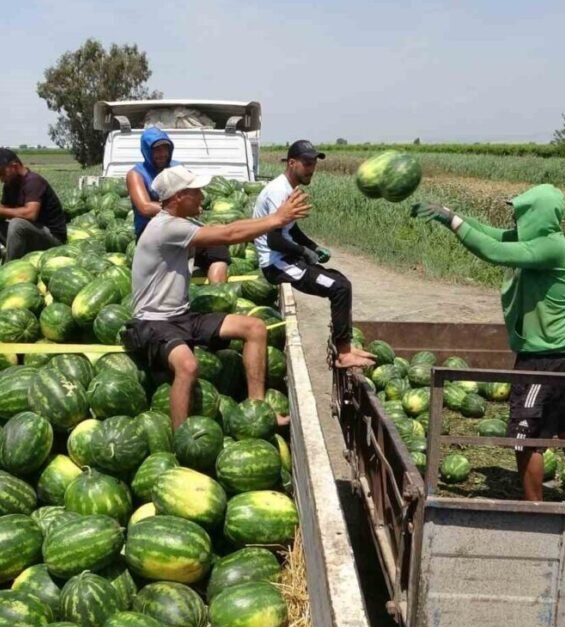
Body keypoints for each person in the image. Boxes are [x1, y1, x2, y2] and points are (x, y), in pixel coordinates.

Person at [412, 184, 565, 502]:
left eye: (521, 211)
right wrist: (450, 215)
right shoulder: (538, 240)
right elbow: (492, 235)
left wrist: (452, 222)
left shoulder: (552, 248)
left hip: (547, 359)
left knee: (526, 438)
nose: (515, 217)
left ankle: (533, 509)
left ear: (538, 213)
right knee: (564, 423)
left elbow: (492, 251)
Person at [122, 165, 311, 429]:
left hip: (181, 315)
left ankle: (257, 408)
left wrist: (272, 219)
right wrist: (276, 219)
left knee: (255, 328)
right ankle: (181, 437)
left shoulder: (181, 223)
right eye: (196, 191)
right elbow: (228, 235)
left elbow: (230, 227)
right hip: (153, 322)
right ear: (178, 197)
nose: (202, 196)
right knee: (187, 366)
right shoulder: (166, 228)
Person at [253, 140, 375, 369]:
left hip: (287, 259)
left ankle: (345, 345)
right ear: (292, 163)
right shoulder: (279, 192)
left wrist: (313, 247)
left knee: (341, 281)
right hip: (277, 264)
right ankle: (344, 354)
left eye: (314, 163)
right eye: (307, 163)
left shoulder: (289, 188)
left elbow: (291, 229)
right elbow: (274, 239)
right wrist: (303, 252)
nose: (312, 169)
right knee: (338, 288)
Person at [127, 127, 230, 284]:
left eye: (165, 149)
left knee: (217, 246)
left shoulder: (177, 168)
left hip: (181, 226)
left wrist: (192, 206)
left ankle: (219, 294)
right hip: (152, 233)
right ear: (146, 151)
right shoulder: (136, 174)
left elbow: (192, 192)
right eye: (156, 150)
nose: (162, 154)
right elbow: (145, 207)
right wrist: (177, 207)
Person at [0, 147, 67, 262]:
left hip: (52, 240)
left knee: (17, 224)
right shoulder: (10, 184)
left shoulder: (33, 181)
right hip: (31, 237)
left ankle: (10, 268)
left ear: (14, 166)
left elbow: (31, 214)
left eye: (2, 173)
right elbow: (6, 209)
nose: (1, 179)